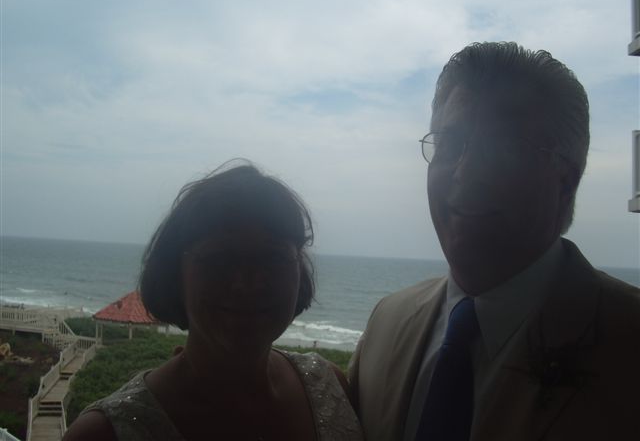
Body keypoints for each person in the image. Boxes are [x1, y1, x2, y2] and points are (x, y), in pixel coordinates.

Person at [348, 42, 640, 441]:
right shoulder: (387, 321)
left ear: (565, 181)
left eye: (502, 149)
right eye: (450, 144)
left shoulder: (629, 341)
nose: (466, 173)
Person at [64, 160, 364, 441]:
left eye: (273, 257)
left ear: (300, 270)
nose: (247, 283)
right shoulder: (102, 434)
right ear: (175, 273)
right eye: (220, 259)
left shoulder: (329, 386)